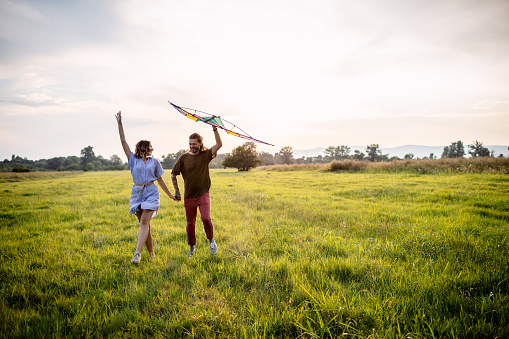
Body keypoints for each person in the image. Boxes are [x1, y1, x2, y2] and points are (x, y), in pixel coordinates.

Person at [115, 111, 176, 264]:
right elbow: (123, 141)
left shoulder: (154, 162)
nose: (152, 149)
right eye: (150, 147)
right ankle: (152, 254)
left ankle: (137, 254)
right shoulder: (132, 159)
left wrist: (169, 195)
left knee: (144, 222)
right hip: (137, 193)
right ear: (143, 148)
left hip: (151, 192)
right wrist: (120, 123)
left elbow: (160, 180)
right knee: (144, 224)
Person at [171, 126, 222, 257]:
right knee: (190, 224)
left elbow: (219, 144)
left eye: (194, 144)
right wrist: (177, 191)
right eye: (190, 144)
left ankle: (211, 240)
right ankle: (191, 247)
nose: (192, 146)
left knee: (205, 218)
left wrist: (215, 129)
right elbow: (173, 174)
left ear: (200, 143)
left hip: (203, 192)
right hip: (189, 196)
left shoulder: (206, 155)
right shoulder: (183, 157)